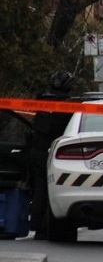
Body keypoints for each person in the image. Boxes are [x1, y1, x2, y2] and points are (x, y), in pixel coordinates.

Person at [26, 70, 76, 239]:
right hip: (51, 152)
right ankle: (44, 228)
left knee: (38, 189)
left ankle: (36, 225)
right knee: (49, 191)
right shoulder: (67, 106)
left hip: (35, 150)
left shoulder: (41, 97)